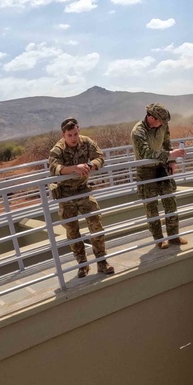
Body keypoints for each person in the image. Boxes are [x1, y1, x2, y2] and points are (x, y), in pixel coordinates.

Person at [47, 118, 114, 278]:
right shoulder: (57, 149)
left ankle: (102, 262)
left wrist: (91, 165)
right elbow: (53, 168)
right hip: (66, 193)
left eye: (76, 133)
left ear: (79, 131)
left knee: (96, 225)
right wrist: (74, 169)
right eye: (69, 135)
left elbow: (100, 157)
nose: (73, 138)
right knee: (72, 231)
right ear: (64, 135)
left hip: (83, 190)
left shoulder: (86, 142)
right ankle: (82, 265)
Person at [132, 103, 187, 249]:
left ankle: (173, 236)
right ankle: (159, 239)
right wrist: (169, 155)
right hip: (146, 171)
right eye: (159, 121)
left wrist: (172, 161)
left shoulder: (163, 124)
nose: (162, 124)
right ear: (150, 117)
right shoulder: (138, 131)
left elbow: (167, 143)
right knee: (151, 208)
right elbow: (145, 154)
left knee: (170, 202)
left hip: (162, 167)